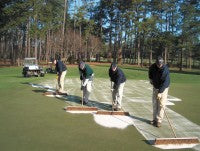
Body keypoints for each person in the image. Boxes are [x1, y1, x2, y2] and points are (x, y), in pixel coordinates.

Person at [148, 56, 170, 127]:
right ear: (156, 63)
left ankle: (159, 121)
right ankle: (154, 119)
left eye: (160, 64)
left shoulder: (165, 70)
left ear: (162, 63)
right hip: (155, 87)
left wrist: (160, 92)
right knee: (155, 103)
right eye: (158, 64)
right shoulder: (153, 66)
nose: (159, 65)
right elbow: (150, 72)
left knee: (161, 104)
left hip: (163, 88)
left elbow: (165, 83)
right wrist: (151, 79)